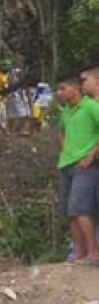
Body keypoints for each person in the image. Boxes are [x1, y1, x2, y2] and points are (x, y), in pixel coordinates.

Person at [54, 76, 99, 264]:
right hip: (66, 164)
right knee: (70, 211)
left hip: (85, 166)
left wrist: (91, 154)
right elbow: (60, 130)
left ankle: (93, 253)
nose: (59, 93)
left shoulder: (90, 106)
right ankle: (78, 255)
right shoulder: (66, 111)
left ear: (75, 89)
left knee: (81, 209)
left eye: (62, 88)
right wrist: (66, 148)